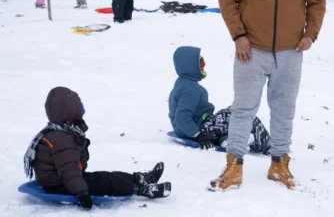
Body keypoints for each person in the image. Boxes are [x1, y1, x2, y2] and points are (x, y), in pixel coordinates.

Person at [212, 0, 326, 191]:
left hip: (291, 52)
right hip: (251, 51)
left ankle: (279, 164)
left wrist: (310, 34)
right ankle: (233, 167)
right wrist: (238, 35)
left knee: (284, 109)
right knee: (243, 109)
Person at [23, 87, 172, 210]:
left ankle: (140, 179)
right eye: (78, 109)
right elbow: (69, 170)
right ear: (69, 113)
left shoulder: (58, 132)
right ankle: (143, 190)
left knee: (106, 175)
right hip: (60, 185)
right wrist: (81, 193)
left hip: (65, 180)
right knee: (106, 182)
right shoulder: (62, 139)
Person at [168, 46, 271, 154]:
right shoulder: (190, 90)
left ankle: (225, 139)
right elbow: (181, 118)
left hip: (199, 127)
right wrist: (199, 136)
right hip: (200, 129)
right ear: (190, 67)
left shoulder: (183, 84)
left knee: (233, 113)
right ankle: (270, 147)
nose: (204, 66)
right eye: (200, 64)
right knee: (245, 116)